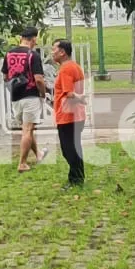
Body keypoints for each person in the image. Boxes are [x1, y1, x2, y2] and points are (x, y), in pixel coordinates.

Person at [2, 27, 48, 173]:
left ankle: (38, 154)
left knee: (27, 128)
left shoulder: (9, 54)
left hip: (16, 97)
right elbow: (38, 79)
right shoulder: (33, 55)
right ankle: (22, 163)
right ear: (33, 39)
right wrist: (43, 93)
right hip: (30, 95)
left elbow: (5, 77)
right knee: (27, 130)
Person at [50, 38, 86, 187]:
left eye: (54, 49)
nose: (52, 53)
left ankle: (76, 179)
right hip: (77, 115)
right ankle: (77, 177)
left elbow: (69, 93)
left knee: (68, 149)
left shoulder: (65, 69)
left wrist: (80, 98)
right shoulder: (75, 67)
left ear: (62, 52)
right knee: (75, 147)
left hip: (68, 116)